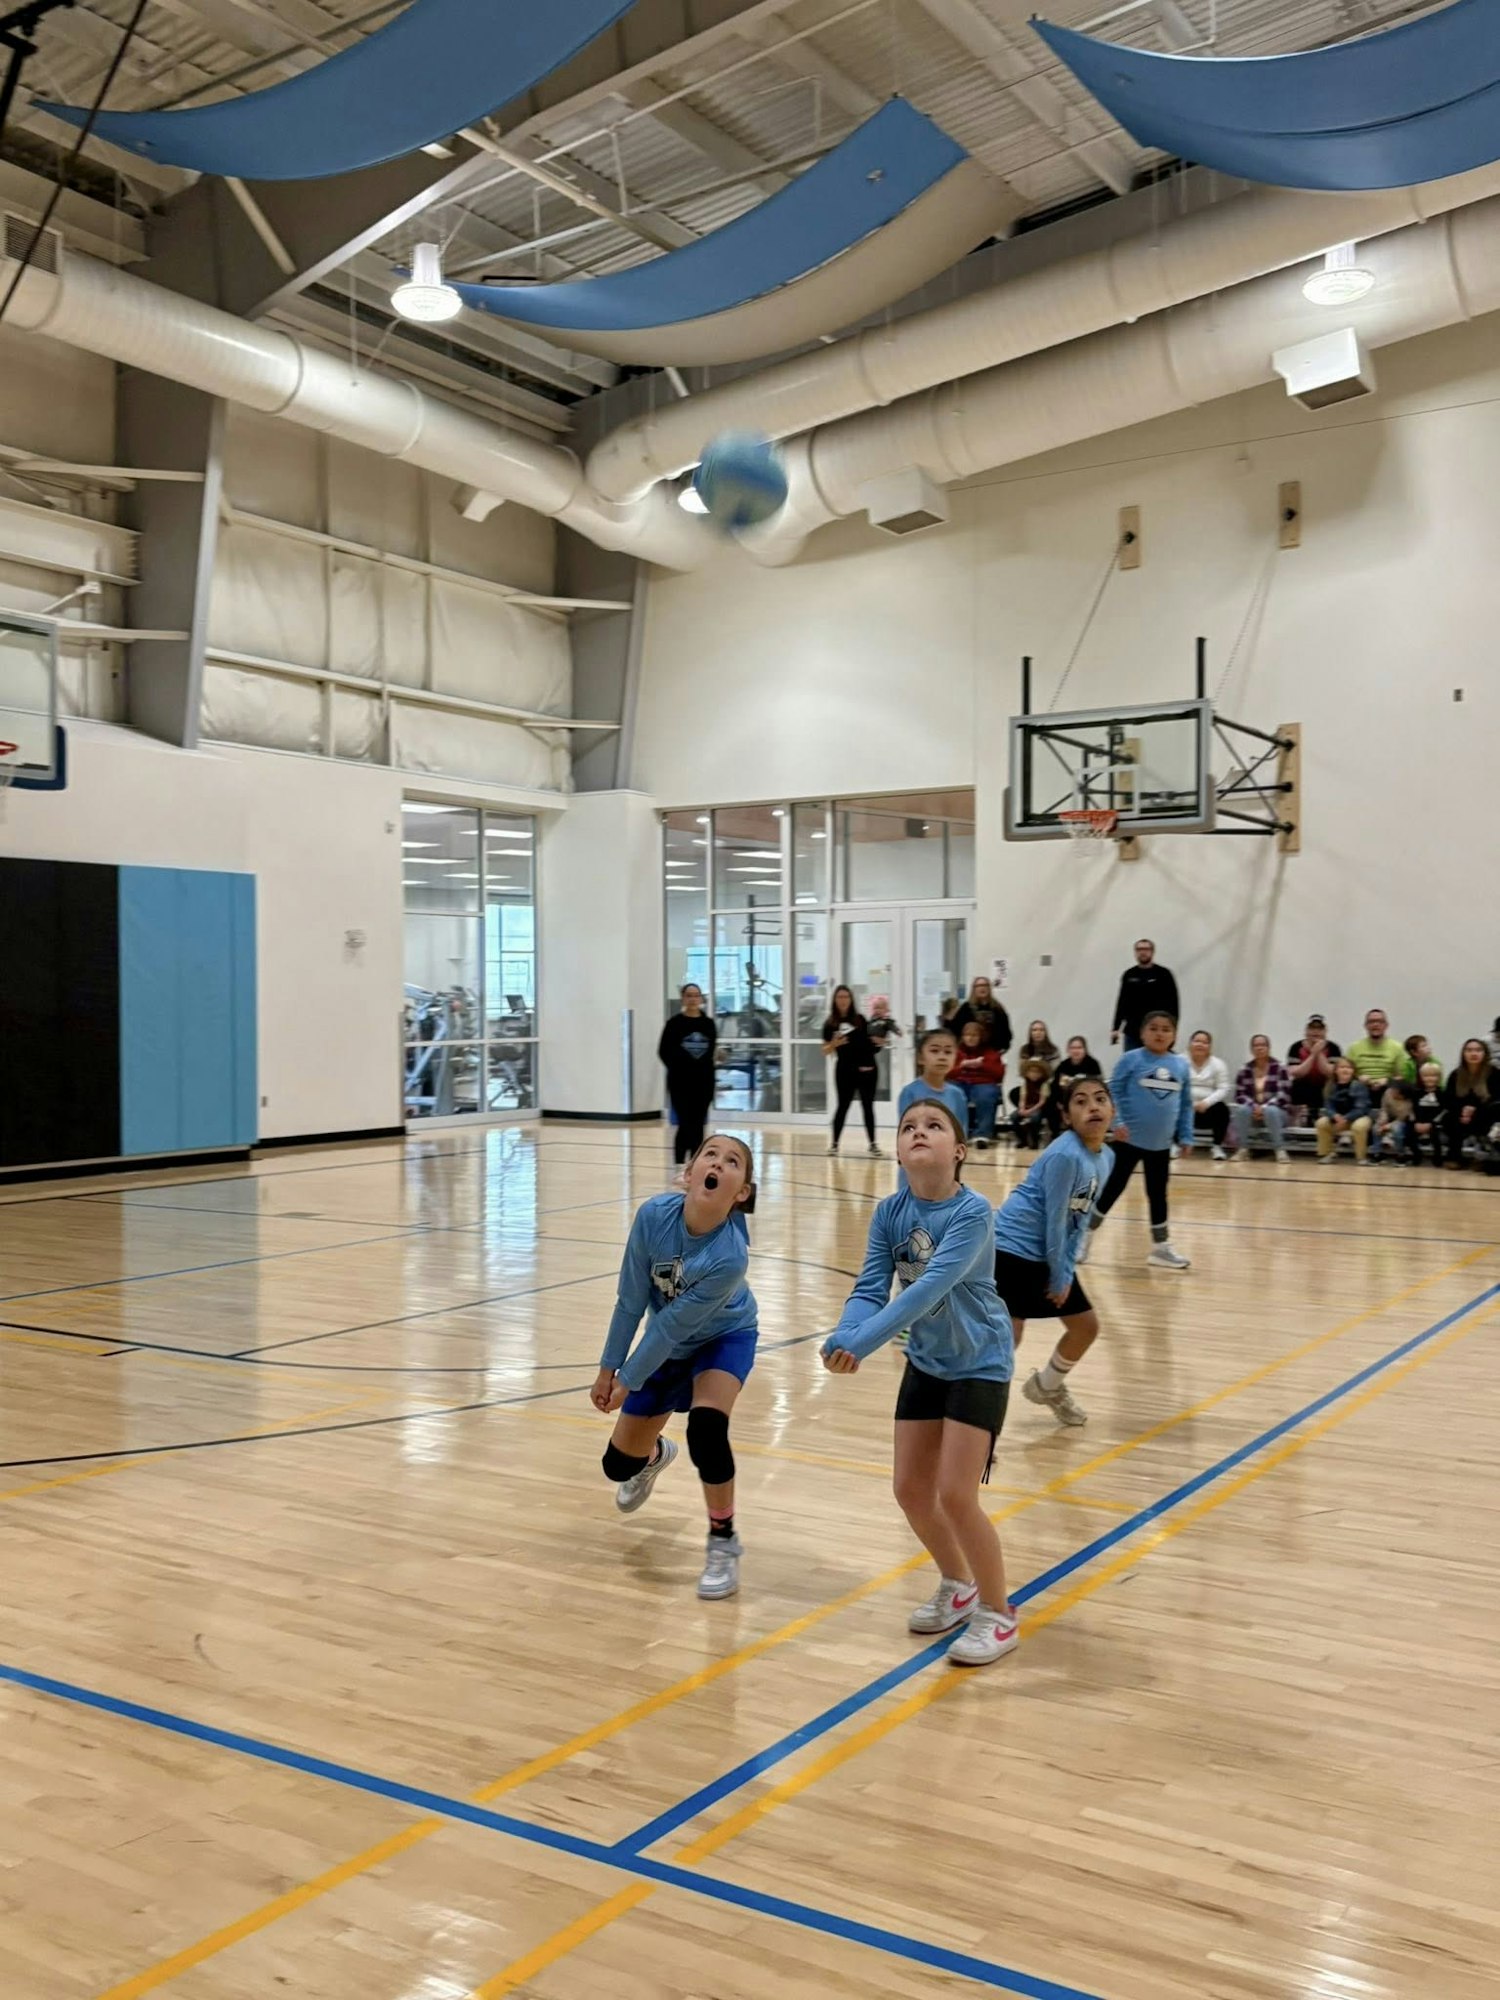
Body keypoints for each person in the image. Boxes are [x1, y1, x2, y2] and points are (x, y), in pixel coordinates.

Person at [821, 1099, 1017, 1668]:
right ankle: (959, 1586)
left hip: (980, 1361)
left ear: (958, 1151)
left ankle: (1000, 1615)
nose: (918, 1132)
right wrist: (843, 1333)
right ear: (900, 1151)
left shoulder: (974, 1212)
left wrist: (860, 1344)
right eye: (908, 1127)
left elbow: (924, 1290)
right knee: (910, 1489)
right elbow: (870, 1285)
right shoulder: (888, 1212)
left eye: (933, 1126)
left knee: (956, 1495)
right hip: (928, 1360)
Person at [593, 1134, 758, 1600]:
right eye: (711, 1154)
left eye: (732, 1162)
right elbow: (631, 1299)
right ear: (689, 1173)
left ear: (741, 1191)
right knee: (616, 1466)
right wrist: (608, 1367)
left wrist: (628, 1379)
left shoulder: (729, 1256)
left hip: (722, 1338)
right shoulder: (653, 1216)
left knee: (707, 1429)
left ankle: (723, 1542)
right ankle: (652, 1457)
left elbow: (667, 1331)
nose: (718, 1163)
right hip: (668, 1344)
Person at [995, 1073, 1115, 1428]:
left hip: (1048, 1251)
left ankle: (1047, 1387)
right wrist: (1060, 1274)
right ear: (1066, 1116)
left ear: (1112, 1108)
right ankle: (981, 1429)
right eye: (1080, 1101)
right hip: (1011, 1250)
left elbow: (1080, 1219)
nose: (1092, 1106)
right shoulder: (1065, 1155)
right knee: (1008, 1339)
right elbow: (1056, 1220)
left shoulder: (1105, 1157)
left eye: (1100, 1099)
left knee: (1085, 1328)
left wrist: (1066, 1267)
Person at [1086, 1011, 1192, 1269]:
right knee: (1112, 1189)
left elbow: (1186, 1103)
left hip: (1162, 1145)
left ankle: (1160, 1247)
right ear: (1143, 1033)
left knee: (1158, 1194)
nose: (1159, 1033)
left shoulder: (1180, 1065)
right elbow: (1110, 1093)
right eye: (1153, 1028)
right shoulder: (1130, 1059)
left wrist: (1186, 1134)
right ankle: (1083, 1237)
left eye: (1166, 1029)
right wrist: (1116, 1123)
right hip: (1128, 1140)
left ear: (1174, 1035)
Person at [657, 983, 717, 1165]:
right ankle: (680, 1165)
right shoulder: (674, 1024)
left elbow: (711, 1050)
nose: (692, 999)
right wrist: (680, 1068)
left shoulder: (708, 1024)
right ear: (683, 998)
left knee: (698, 1125)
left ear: (700, 998)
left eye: (696, 995)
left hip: (704, 1082)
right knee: (685, 1123)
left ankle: (696, 1165)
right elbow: (663, 1051)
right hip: (680, 1082)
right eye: (689, 995)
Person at [822, 985, 881, 1159]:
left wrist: (879, 1043)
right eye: (839, 997)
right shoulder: (830, 1023)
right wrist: (834, 1044)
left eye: (846, 997)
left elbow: (870, 1044)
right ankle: (834, 1144)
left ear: (851, 999)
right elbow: (825, 1050)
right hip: (844, 1070)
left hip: (867, 1069)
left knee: (868, 1106)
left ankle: (873, 1144)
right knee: (843, 1106)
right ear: (834, 1000)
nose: (843, 1000)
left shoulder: (860, 1020)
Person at [1230, 1034, 1291, 1162]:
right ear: (1251, 1049)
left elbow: (1283, 1095)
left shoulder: (1280, 1067)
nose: (1259, 1048)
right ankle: (1243, 1149)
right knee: (1241, 1110)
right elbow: (1240, 1095)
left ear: (1269, 1048)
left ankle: (1279, 1150)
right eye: (1256, 1045)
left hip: (1277, 1113)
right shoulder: (1244, 1069)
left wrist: (1263, 1108)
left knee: (1271, 1111)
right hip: (1253, 1113)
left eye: (1263, 1045)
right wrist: (1254, 1107)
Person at [1110, 940, 1179, 1051]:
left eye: (1146, 949)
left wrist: (1173, 1030)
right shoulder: (1129, 975)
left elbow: (1173, 1004)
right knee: (1132, 1065)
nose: (1143, 952)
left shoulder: (1164, 974)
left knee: (1158, 1066)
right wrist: (1116, 1028)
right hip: (1133, 1031)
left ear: (1152, 952)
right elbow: (1122, 1002)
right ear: (1135, 953)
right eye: (1139, 949)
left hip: (1157, 1031)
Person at [898, 1028, 968, 1131]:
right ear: (920, 1057)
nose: (942, 1057)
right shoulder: (909, 1093)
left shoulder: (957, 1095)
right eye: (934, 1051)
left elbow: (961, 1132)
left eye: (948, 1052)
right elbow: (906, 1132)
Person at [950, 1021, 1006, 1149]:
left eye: (974, 1035)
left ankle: (983, 1134)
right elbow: (948, 1072)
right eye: (967, 1035)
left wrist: (982, 1065)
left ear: (981, 1036)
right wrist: (963, 1065)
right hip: (961, 1082)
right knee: (952, 1093)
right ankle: (958, 1132)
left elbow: (999, 1074)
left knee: (986, 1095)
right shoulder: (956, 1052)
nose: (970, 1038)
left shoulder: (990, 1053)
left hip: (983, 1083)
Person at [1442, 1039, 1495, 1169]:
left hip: (1484, 1112)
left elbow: (1496, 1099)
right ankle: (1454, 1157)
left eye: (1478, 1050)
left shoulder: (1494, 1073)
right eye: (1469, 1050)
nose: (1473, 1053)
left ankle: (1483, 1157)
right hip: (1461, 1114)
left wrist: (1474, 1109)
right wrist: (1462, 1110)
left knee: (1490, 1114)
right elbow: (1448, 1099)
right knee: (1448, 1119)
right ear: (1463, 1054)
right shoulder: (1455, 1075)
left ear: (1485, 1054)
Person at [1286, 1014, 1340, 1125]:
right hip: (1303, 1083)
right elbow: (1296, 1072)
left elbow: (1331, 1073)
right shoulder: (1296, 1047)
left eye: (1319, 1029)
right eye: (1312, 1028)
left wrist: (1319, 1053)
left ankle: (1328, 1117)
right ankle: (1298, 1119)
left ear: (1325, 1031)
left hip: (1325, 1084)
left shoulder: (1334, 1048)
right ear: (1306, 1031)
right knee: (1296, 1084)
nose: (1316, 1032)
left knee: (1334, 1087)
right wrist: (1313, 1055)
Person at [1316, 1058, 1373, 1163]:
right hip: (1338, 1119)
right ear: (1336, 1070)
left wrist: (1346, 1118)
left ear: (1353, 1071)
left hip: (1358, 1117)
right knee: (1321, 1123)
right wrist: (1334, 1115)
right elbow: (1328, 1106)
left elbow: (1361, 1108)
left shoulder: (1359, 1086)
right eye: (1342, 1067)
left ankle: (1361, 1157)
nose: (1346, 1070)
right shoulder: (1330, 1086)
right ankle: (1327, 1154)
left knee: (1359, 1126)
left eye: (1349, 1068)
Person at [1186, 1029, 1231, 1160]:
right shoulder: (1179, 1061)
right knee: (1171, 1105)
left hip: (1207, 1108)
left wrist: (1206, 1102)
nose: (1200, 1044)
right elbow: (1176, 1086)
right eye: (1197, 1041)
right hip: (1186, 1106)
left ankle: (1217, 1147)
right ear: (1190, 1044)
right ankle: (1175, 1144)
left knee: (1222, 1109)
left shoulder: (1218, 1064)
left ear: (1209, 1047)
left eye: (1204, 1042)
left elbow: (1223, 1088)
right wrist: (1191, 1103)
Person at [1045, 1036, 1103, 1136]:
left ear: (1085, 1049)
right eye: (1073, 1048)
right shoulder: (1063, 1065)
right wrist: (1060, 1103)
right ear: (1068, 1050)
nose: (1076, 1051)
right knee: (1050, 1104)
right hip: (1065, 1100)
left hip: (1086, 1100)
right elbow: (1055, 1086)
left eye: (1079, 1048)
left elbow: (1097, 1086)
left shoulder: (1093, 1065)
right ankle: (1055, 1136)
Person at [1347, 1009, 1413, 1092]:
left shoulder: (1397, 1047)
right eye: (1371, 1022)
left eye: (1380, 1021)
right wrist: (1358, 1078)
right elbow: (1345, 1072)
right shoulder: (1354, 1047)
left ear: (1386, 1025)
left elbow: (1402, 1076)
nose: (1375, 1024)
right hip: (1360, 1087)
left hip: (1388, 1089)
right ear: (1365, 1026)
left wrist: (1388, 1081)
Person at [948, 975, 1012, 1056]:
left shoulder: (997, 1008)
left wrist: (1002, 1049)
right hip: (969, 1053)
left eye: (985, 985)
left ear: (989, 988)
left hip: (992, 1052)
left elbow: (1006, 1031)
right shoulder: (966, 1008)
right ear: (974, 989)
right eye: (978, 986)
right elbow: (955, 1029)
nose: (982, 988)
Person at [1408, 1061, 1446, 1167]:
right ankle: (1416, 1154)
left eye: (1433, 1076)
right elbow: (1412, 1108)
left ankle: (1437, 1157)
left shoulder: (1442, 1093)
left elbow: (1444, 1111)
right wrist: (1416, 1122)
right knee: (1409, 1132)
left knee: (1436, 1135)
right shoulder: (1416, 1092)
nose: (1429, 1079)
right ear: (1421, 1077)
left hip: (1434, 1123)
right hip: (1418, 1121)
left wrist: (1431, 1123)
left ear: (1439, 1077)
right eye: (1426, 1076)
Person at [1009, 1059, 1052, 1149]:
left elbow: (1042, 1101)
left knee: (1035, 1118)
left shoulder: (1044, 1084)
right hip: (1027, 1107)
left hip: (1038, 1108)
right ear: (1027, 1073)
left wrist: (1030, 1110)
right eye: (1031, 1072)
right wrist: (1021, 1109)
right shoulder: (1025, 1083)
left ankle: (1034, 1140)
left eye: (1037, 1072)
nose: (1034, 1074)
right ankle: (1022, 1140)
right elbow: (1022, 1098)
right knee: (1013, 1116)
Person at [1373, 1077, 1415, 1163]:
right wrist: (1382, 1119)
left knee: (1397, 1130)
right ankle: (1377, 1153)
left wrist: (1386, 1127)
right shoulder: (1388, 1093)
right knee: (1375, 1127)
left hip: (1403, 1121)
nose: (1392, 1092)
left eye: (1395, 1092)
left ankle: (1400, 1154)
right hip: (1389, 1116)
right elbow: (1384, 1108)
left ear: (1402, 1095)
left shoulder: (1408, 1103)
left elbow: (1401, 1118)